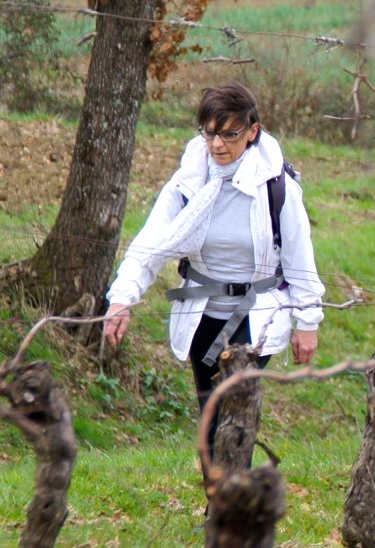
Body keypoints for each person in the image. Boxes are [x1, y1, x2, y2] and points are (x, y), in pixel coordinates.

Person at [104, 81, 324, 447]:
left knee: (234, 414)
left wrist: (308, 322)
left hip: (257, 316)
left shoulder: (276, 186)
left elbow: (300, 257)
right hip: (202, 313)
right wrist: (122, 298)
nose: (218, 145)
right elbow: (152, 241)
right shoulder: (190, 181)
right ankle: (217, 501)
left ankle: (232, 503)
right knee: (211, 416)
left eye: (230, 134)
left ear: (253, 132)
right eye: (210, 134)